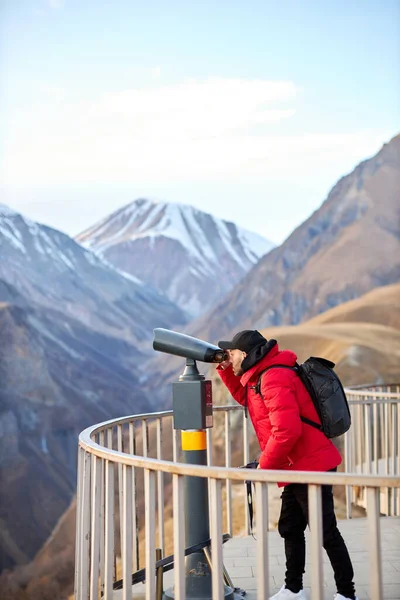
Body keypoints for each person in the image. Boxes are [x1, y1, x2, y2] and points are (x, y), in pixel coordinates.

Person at [216, 329, 358, 600]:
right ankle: (293, 589)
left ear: (244, 354)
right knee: (290, 527)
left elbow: (287, 431)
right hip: (296, 465)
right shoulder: (262, 375)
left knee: (325, 530)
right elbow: (247, 398)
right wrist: (225, 371)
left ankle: (347, 594)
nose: (229, 357)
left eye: (231, 353)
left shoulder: (274, 377)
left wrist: (263, 468)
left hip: (310, 465)